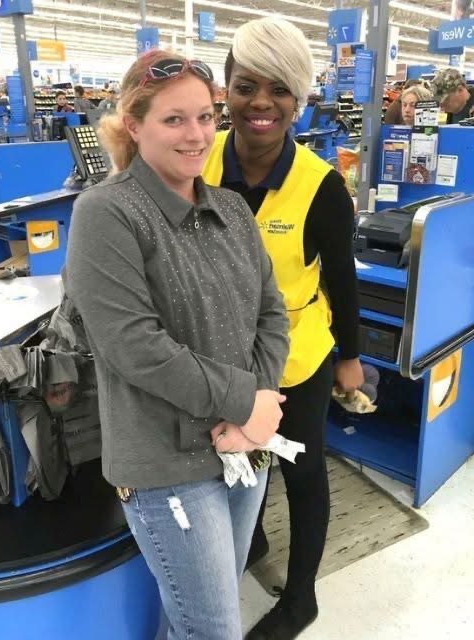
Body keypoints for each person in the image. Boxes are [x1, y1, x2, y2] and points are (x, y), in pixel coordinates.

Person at [64, 49, 290, 640]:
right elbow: (133, 345)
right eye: (174, 119)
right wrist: (245, 403)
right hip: (169, 467)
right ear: (133, 125)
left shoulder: (231, 208)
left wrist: (256, 410)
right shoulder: (106, 213)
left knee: (198, 614)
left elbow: (271, 312)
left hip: (244, 448)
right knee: (212, 628)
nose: (197, 136)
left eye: (206, 117)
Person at [202, 17, 363, 639]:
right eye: (246, 87)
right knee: (233, 456)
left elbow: (341, 280)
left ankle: (301, 599)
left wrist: (350, 356)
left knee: (301, 469)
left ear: (299, 99)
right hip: (218, 356)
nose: (260, 103)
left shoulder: (322, 187)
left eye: (279, 89)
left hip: (297, 357)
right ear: (226, 90)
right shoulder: (198, 156)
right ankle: (254, 540)